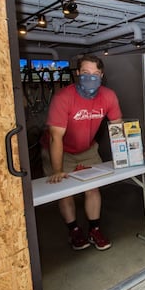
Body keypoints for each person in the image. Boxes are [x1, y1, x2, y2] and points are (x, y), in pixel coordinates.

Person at [41, 54, 122, 251]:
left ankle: (94, 230)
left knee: (93, 187)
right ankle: (74, 230)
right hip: (60, 149)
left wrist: (129, 154)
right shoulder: (63, 98)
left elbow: (117, 127)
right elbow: (55, 138)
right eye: (85, 73)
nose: (91, 77)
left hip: (87, 149)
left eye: (95, 73)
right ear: (77, 73)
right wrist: (58, 169)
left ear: (102, 75)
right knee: (65, 190)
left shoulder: (109, 96)